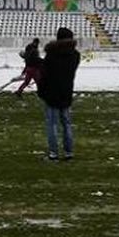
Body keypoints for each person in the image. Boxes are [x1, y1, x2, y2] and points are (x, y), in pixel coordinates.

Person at [36, 27, 81, 161]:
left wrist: (41, 91)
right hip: (66, 92)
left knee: (52, 124)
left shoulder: (51, 55)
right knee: (66, 124)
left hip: (51, 93)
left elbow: (45, 74)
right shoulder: (75, 55)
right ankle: (68, 152)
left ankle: (53, 153)